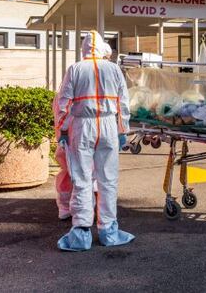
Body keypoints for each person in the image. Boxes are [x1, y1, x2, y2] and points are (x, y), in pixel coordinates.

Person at [55, 30, 134, 251]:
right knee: (108, 180)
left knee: (82, 179)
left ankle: (81, 232)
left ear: (84, 49)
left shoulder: (75, 69)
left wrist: (62, 129)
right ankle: (109, 230)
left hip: (82, 127)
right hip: (108, 126)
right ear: (102, 48)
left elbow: (63, 103)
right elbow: (124, 103)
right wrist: (122, 130)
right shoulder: (114, 69)